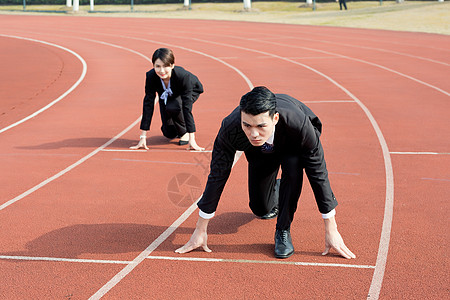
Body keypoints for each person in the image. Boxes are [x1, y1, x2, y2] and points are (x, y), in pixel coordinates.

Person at [175, 86, 355, 259]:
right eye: (247, 125)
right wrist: (200, 229)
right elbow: (218, 174)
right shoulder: (231, 128)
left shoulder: (299, 125)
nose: (254, 133)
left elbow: (318, 172)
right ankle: (277, 187)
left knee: (293, 166)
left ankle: (283, 230)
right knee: (261, 208)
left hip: (291, 142)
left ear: (275, 118)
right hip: (260, 151)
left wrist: (331, 228)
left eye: (261, 126)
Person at [131, 48, 204, 151]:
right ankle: (178, 130)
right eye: (158, 66)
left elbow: (187, 108)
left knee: (174, 106)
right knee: (168, 133)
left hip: (190, 90)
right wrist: (143, 137)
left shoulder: (183, 76)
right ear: (153, 66)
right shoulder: (151, 76)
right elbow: (148, 104)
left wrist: (192, 139)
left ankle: (184, 133)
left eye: (165, 66)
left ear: (172, 65)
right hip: (166, 95)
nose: (161, 71)